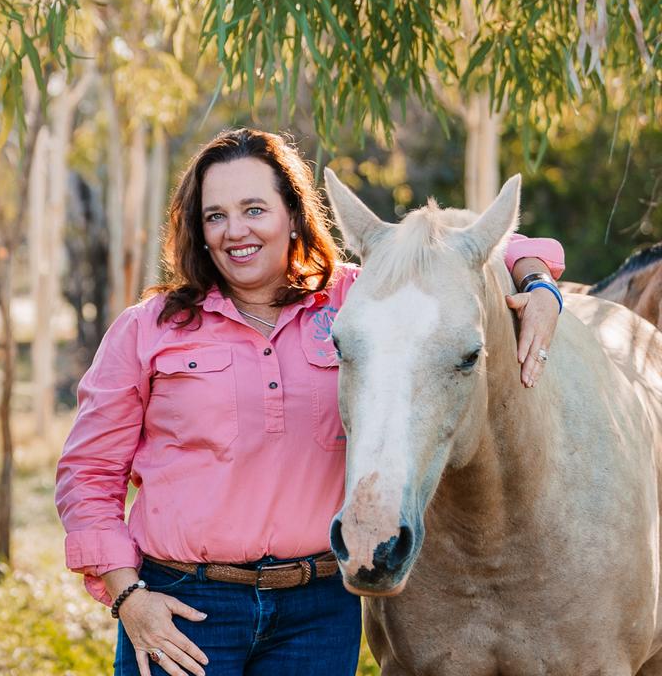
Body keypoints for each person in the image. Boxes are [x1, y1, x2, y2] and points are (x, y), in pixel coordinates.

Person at [54, 128, 564, 676]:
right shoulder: (147, 330)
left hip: (317, 612)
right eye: (215, 216)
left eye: (255, 208)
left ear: (294, 214)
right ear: (198, 231)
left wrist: (539, 285)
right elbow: (88, 474)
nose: (236, 232)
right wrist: (129, 598)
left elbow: (472, 248)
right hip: (185, 608)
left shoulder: (359, 302)